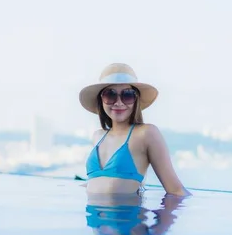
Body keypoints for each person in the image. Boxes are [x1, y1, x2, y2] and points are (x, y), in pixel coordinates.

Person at [79, 62, 189, 197]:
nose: (119, 103)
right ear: (101, 99)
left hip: (127, 217)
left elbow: (176, 191)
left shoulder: (146, 134)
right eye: (110, 95)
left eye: (127, 95)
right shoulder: (98, 136)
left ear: (136, 99)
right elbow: (97, 183)